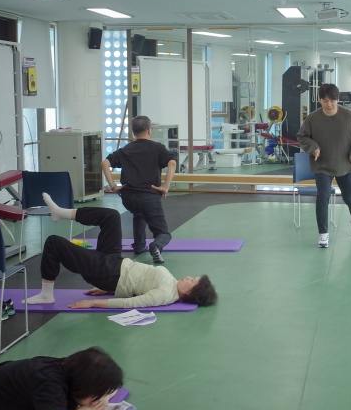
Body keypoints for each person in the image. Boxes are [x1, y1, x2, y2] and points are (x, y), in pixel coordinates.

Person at [28, 194, 217, 308]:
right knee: (111, 216)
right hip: (116, 263)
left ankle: (46, 294)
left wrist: (93, 303)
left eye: (192, 281)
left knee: (54, 242)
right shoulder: (172, 283)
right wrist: (109, 290)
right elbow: (139, 286)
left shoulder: (166, 295)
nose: (188, 277)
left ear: (189, 293)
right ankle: (61, 213)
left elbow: (132, 303)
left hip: (108, 272)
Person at [297, 83, 351, 248]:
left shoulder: (349, 116)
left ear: (338, 99)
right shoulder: (313, 118)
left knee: (350, 199)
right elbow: (302, 136)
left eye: (332, 100)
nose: (328, 104)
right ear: (319, 100)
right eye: (325, 100)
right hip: (322, 165)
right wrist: (313, 146)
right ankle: (323, 235)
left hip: (345, 164)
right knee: (323, 197)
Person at [102, 115, 178, 264]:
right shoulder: (157, 148)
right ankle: (156, 245)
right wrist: (165, 187)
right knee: (163, 233)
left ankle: (138, 245)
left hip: (128, 198)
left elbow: (105, 163)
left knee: (139, 214)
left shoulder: (126, 150)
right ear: (149, 130)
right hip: (149, 197)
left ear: (133, 131)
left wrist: (113, 186)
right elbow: (172, 163)